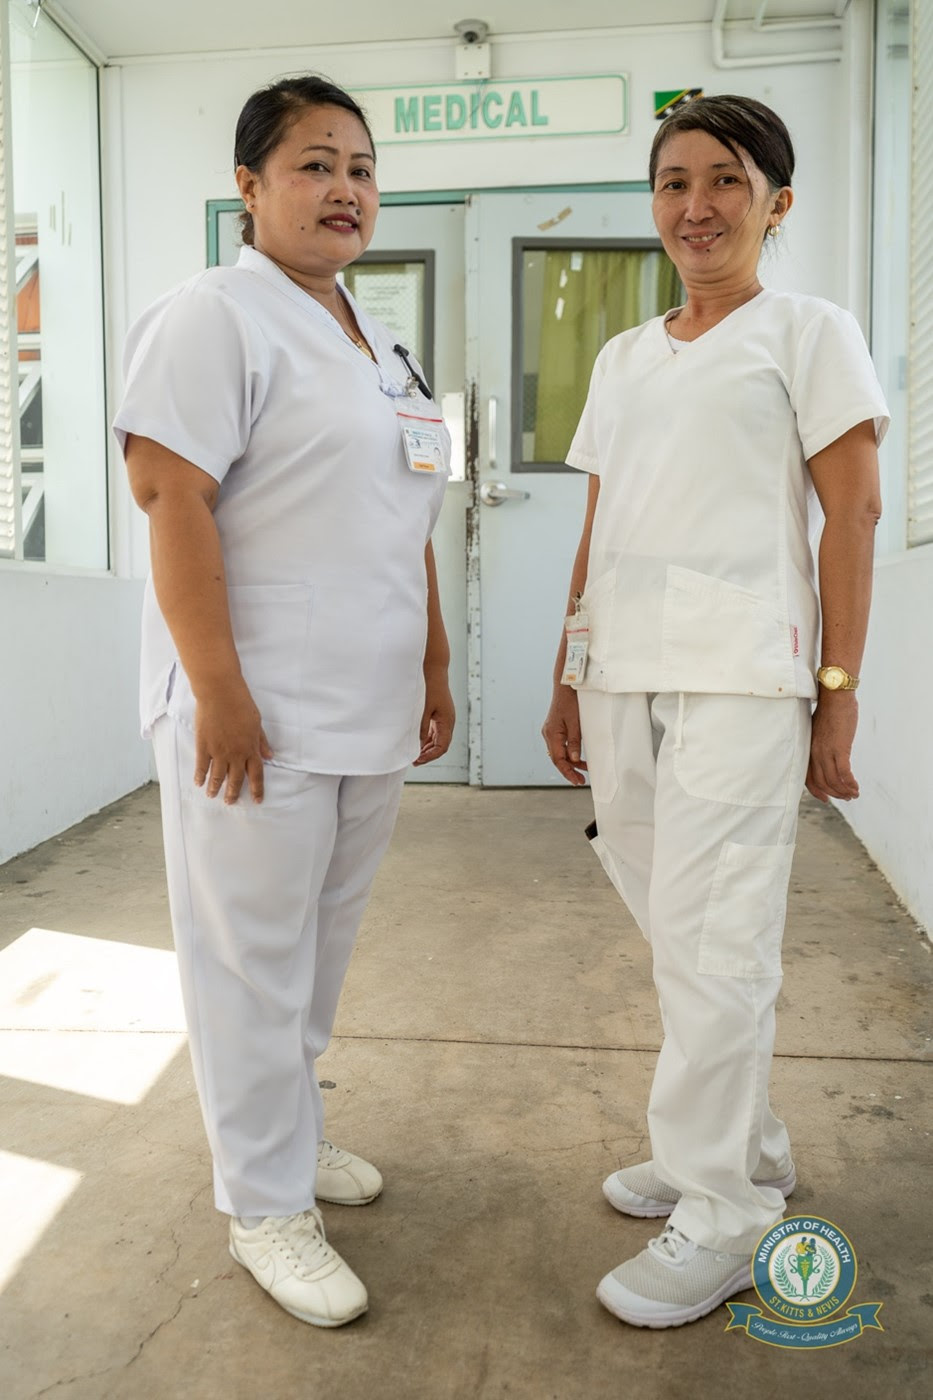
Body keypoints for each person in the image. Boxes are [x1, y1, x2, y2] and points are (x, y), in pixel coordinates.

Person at [541, 94, 888, 1329]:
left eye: (726, 180)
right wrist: (566, 670)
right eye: (674, 181)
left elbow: (853, 512)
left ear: (775, 202)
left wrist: (838, 692)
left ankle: (728, 1209)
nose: (697, 205)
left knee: (719, 935)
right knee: (674, 928)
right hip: (621, 672)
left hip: (743, 674)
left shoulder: (808, 330)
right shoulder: (627, 356)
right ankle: (742, 1141)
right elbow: (602, 520)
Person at [115, 75, 454, 1329]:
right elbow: (172, 497)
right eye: (315, 164)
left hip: (367, 703)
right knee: (249, 963)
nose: (345, 188)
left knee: (315, 955)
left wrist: (432, 664)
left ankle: (292, 1134)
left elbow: (407, 516)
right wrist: (219, 690)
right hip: (254, 710)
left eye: (361, 167)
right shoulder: (214, 315)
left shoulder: (382, 341)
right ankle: (262, 1202)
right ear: (249, 187)